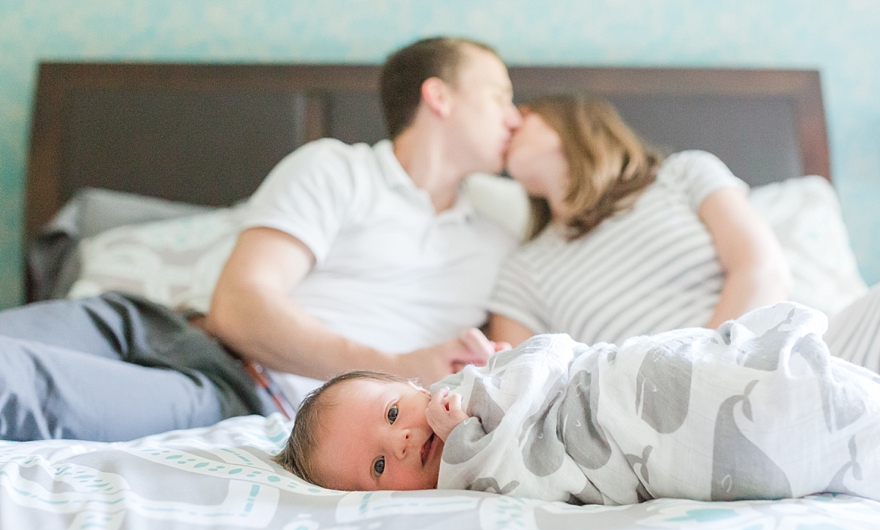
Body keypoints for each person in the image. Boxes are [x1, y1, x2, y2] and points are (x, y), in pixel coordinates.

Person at [0, 36, 521, 442]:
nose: (514, 117)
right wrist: (403, 368)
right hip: (156, 324)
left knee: (25, 391)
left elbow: (515, 377)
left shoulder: (501, 242)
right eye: (500, 95)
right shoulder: (337, 168)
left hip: (243, 393)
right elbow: (240, 308)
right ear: (439, 96)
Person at [487, 95, 880, 443]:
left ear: (574, 122)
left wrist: (714, 358)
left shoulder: (681, 174)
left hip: (783, 344)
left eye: (523, 112)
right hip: (701, 410)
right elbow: (523, 387)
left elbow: (761, 268)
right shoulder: (522, 270)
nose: (507, 121)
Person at [273, 302, 880, 504]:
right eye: (381, 469)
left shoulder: (486, 377)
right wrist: (477, 442)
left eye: (392, 414)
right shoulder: (462, 484)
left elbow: (555, 356)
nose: (402, 442)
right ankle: (849, 437)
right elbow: (533, 478)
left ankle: (836, 406)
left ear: (417, 390)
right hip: (630, 452)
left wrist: (488, 400)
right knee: (744, 451)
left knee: (701, 374)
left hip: (612, 384)